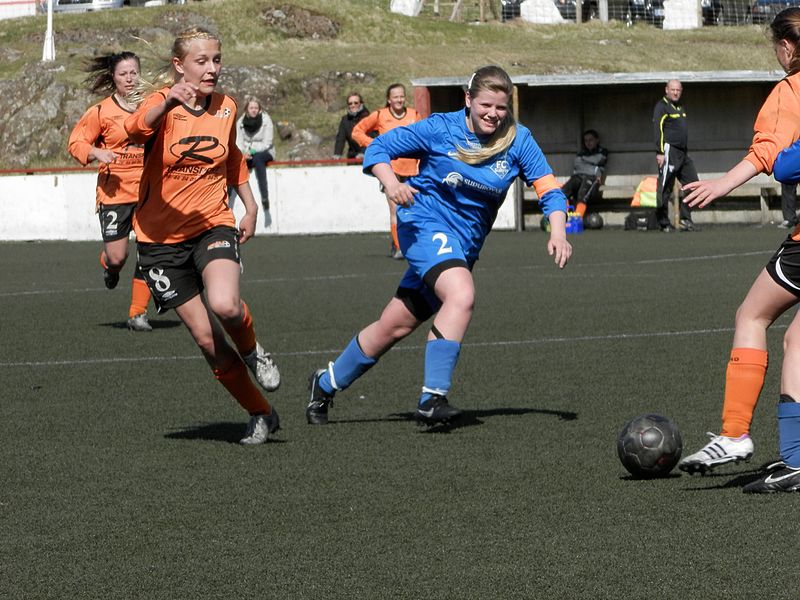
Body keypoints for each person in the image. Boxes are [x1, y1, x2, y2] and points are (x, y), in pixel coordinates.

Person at [305, 65, 572, 427]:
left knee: (393, 326)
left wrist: (558, 232)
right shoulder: (440, 128)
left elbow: (549, 189)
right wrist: (391, 183)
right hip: (423, 224)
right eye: (485, 106)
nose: (493, 114)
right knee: (461, 294)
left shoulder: (518, 140)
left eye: (501, 108)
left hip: (462, 247)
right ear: (468, 99)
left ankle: (324, 384)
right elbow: (378, 149)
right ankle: (432, 399)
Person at [124, 27, 281, 445]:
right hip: (159, 243)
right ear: (180, 66)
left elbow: (232, 159)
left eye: (216, 59)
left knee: (226, 304)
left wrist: (250, 206)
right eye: (202, 61)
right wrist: (165, 104)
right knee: (207, 341)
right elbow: (136, 130)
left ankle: (253, 352)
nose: (212, 68)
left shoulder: (227, 107)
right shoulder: (161, 102)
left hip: (213, 222)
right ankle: (261, 413)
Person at [679, 7, 800, 492]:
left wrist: (721, 186)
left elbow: (775, 159)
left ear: (787, 46)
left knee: (751, 315)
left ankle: (733, 434)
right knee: (797, 343)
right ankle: (795, 459)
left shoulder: (790, 90)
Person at [67, 52, 154, 332]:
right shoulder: (101, 112)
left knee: (150, 252)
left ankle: (137, 313)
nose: (129, 78)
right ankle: (109, 265)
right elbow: (76, 143)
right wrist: (95, 151)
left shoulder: (153, 107)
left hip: (149, 191)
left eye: (133, 73)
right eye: (123, 74)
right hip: (115, 193)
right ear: (113, 77)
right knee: (118, 257)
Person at [351, 83, 422, 259]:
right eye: (395, 97)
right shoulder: (380, 115)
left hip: (412, 169)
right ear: (388, 99)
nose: (399, 100)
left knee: (415, 209)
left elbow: (423, 137)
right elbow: (357, 131)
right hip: (390, 170)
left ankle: (412, 244)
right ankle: (399, 247)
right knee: (395, 209)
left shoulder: (414, 115)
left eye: (401, 96)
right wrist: (375, 145)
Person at [653, 79, 698, 232]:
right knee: (665, 187)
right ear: (666, 90)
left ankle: (686, 219)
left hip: (683, 153)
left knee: (693, 184)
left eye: (678, 90)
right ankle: (663, 222)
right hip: (669, 152)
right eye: (672, 89)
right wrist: (660, 152)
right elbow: (657, 129)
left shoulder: (680, 107)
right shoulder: (662, 107)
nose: (675, 92)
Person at [233, 96, 274, 226]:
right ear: (247, 109)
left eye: (256, 108)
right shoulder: (240, 122)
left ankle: (264, 197)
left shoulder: (266, 120)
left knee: (258, 160)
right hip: (246, 152)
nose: (254, 110)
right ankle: (227, 199)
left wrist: (252, 151)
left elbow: (268, 142)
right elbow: (238, 141)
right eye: (251, 108)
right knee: (235, 163)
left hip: (264, 152)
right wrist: (243, 153)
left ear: (259, 109)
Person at [561, 129, 607, 218]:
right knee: (563, 191)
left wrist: (583, 160)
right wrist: (592, 165)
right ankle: (561, 217)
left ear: (597, 140)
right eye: (586, 140)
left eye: (591, 140)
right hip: (578, 176)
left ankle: (577, 218)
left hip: (592, 178)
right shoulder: (582, 152)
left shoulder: (602, 151)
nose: (588, 143)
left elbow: (598, 159)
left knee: (582, 194)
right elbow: (576, 164)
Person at [333, 92, 370, 160]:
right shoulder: (345, 120)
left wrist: (364, 152)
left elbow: (372, 138)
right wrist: (337, 153)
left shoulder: (369, 118)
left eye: (356, 103)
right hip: (353, 156)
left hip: (369, 156)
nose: (353, 105)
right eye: (350, 103)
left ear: (361, 103)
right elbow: (340, 138)